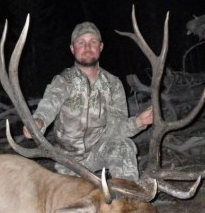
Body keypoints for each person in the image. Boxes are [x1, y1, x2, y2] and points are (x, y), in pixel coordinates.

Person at [23, 21, 153, 181]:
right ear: (72, 48)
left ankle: (127, 199)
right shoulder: (64, 81)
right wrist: (38, 123)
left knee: (123, 146)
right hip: (68, 160)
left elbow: (117, 130)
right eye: (81, 42)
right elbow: (48, 106)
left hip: (98, 152)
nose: (87, 47)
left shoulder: (113, 84)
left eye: (93, 42)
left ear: (101, 47)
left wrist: (138, 121)